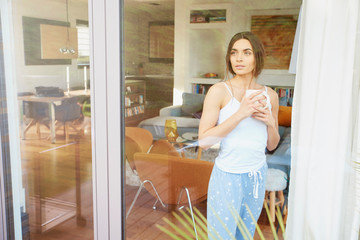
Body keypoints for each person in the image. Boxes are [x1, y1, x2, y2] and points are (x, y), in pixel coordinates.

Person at [198, 32, 280, 239]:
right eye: (234, 53)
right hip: (227, 175)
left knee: (245, 234)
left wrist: (271, 123)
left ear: (257, 57)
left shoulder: (270, 95)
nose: (239, 58)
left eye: (246, 52)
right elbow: (204, 142)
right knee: (221, 236)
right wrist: (241, 113)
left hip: (256, 174)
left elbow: (272, 145)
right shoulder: (218, 91)